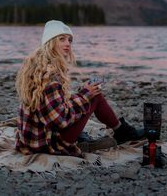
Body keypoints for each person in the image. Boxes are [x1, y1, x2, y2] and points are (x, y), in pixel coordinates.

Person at [15, 20, 144, 156]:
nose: (67, 44)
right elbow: (60, 120)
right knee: (95, 97)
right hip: (48, 144)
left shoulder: (38, 66)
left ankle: (115, 132)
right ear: (50, 42)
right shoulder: (51, 74)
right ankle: (123, 132)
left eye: (70, 40)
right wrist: (85, 95)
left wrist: (82, 93)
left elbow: (52, 105)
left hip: (32, 140)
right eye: (62, 39)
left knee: (89, 93)